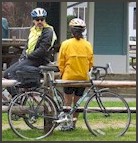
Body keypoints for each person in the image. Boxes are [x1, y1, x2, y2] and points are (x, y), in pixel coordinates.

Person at [4, 7, 57, 96]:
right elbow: (27, 46)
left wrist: (28, 56)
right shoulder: (33, 30)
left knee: (13, 72)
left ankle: (20, 96)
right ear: (33, 20)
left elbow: (42, 50)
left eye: (42, 19)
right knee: (6, 73)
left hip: (39, 59)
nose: (39, 21)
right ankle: (17, 96)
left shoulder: (48, 31)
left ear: (45, 20)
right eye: (37, 19)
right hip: (29, 58)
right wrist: (23, 56)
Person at [57, 18, 94, 131]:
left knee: (67, 101)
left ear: (71, 31)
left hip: (69, 77)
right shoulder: (87, 45)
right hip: (82, 78)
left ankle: (66, 123)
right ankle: (73, 124)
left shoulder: (66, 44)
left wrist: (61, 73)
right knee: (77, 103)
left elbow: (61, 62)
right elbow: (90, 62)